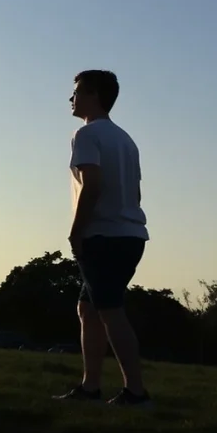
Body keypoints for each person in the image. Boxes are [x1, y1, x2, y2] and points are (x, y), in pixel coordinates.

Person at [55, 69, 151, 406]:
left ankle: (136, 393)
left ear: (93, 95)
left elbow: (91, 186)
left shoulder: (86, 135)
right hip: (129, 234)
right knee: (88, 308)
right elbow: (135, 191)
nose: (72, 98)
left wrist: (76, 231)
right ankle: (90, 387)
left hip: (104, 236)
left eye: (77, 91)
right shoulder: (125, 139)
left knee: (110, 309)